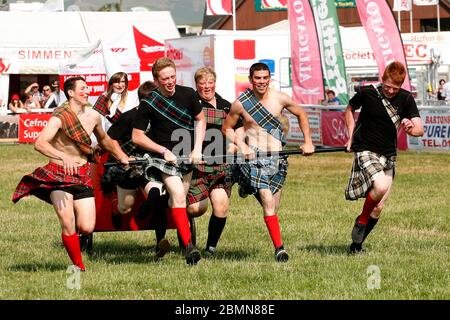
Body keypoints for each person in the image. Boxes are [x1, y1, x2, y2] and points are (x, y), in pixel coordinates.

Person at [12, 76, 130, 271]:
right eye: (82, 89)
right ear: (70, 92)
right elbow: (40, 143)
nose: (87, 91)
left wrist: (122, 156)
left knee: (86, 227)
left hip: (82, 173)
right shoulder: (59, 116)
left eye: (87, 88)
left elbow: (105, 140)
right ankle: (77, 266)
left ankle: (75, 240)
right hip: (58, 173)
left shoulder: (93, 116)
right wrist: (62, 157)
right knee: (67, 221)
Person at [221, 62, 315, 262]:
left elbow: (301, 114)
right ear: (250, 79)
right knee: (267, 201)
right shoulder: (241, 103)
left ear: (269, 78)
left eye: (265, 78)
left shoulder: (280, 99)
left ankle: (246, 185)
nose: (261, 82)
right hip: (253, 158)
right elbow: (227, 128)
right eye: (257, 78)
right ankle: (279, 249)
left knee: (274, 204)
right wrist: (242, 145)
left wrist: (308, 141)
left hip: (277, 159)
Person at [344, 61, 424, 254]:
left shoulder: (406, 99)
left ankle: (356, 246)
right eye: (387, 86)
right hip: (365, 149)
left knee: (378, 207)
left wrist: (410, 129)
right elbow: (349, 109)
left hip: (388, 155)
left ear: (401, 85)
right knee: (380, 186)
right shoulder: (367, 92)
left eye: (394, 88)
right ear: (382, 79)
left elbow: (420, 130)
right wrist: (350, 137)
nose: (390, 90)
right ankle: (362, 219)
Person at [132, 57, 206, 265]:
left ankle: (155, 203)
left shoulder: (189, 94)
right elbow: (137, 136)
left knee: (176, 200)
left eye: (173, 76)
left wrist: (197, 148)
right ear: (156, 80)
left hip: (187, 156)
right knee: (180, 197)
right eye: (165, 79)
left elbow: (200, 120)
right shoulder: (149, 102)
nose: (170, 81)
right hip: (163, 159)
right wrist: (163, 150)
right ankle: (190, 248)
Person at [103, 80, 171, 258]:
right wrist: (122, 157)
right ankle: (115, 208)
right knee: (125, 208)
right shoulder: (128, 117)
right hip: (129, 167)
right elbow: (110, 139)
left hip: (150, 166)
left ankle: (160, 243)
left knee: (156, 196)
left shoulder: (162, 117)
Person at [186, 67, 238, 257]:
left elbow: (238, 129)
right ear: (196, 85)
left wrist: (235, 146)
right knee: (195, 208)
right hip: (197, 165)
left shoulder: (226, 105)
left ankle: (210, 248)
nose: (206, 86)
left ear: (215, 83)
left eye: (210, 82)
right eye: (202, 83)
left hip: (221, 165)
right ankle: (185, 233)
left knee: (221, 205)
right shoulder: (192, 105)